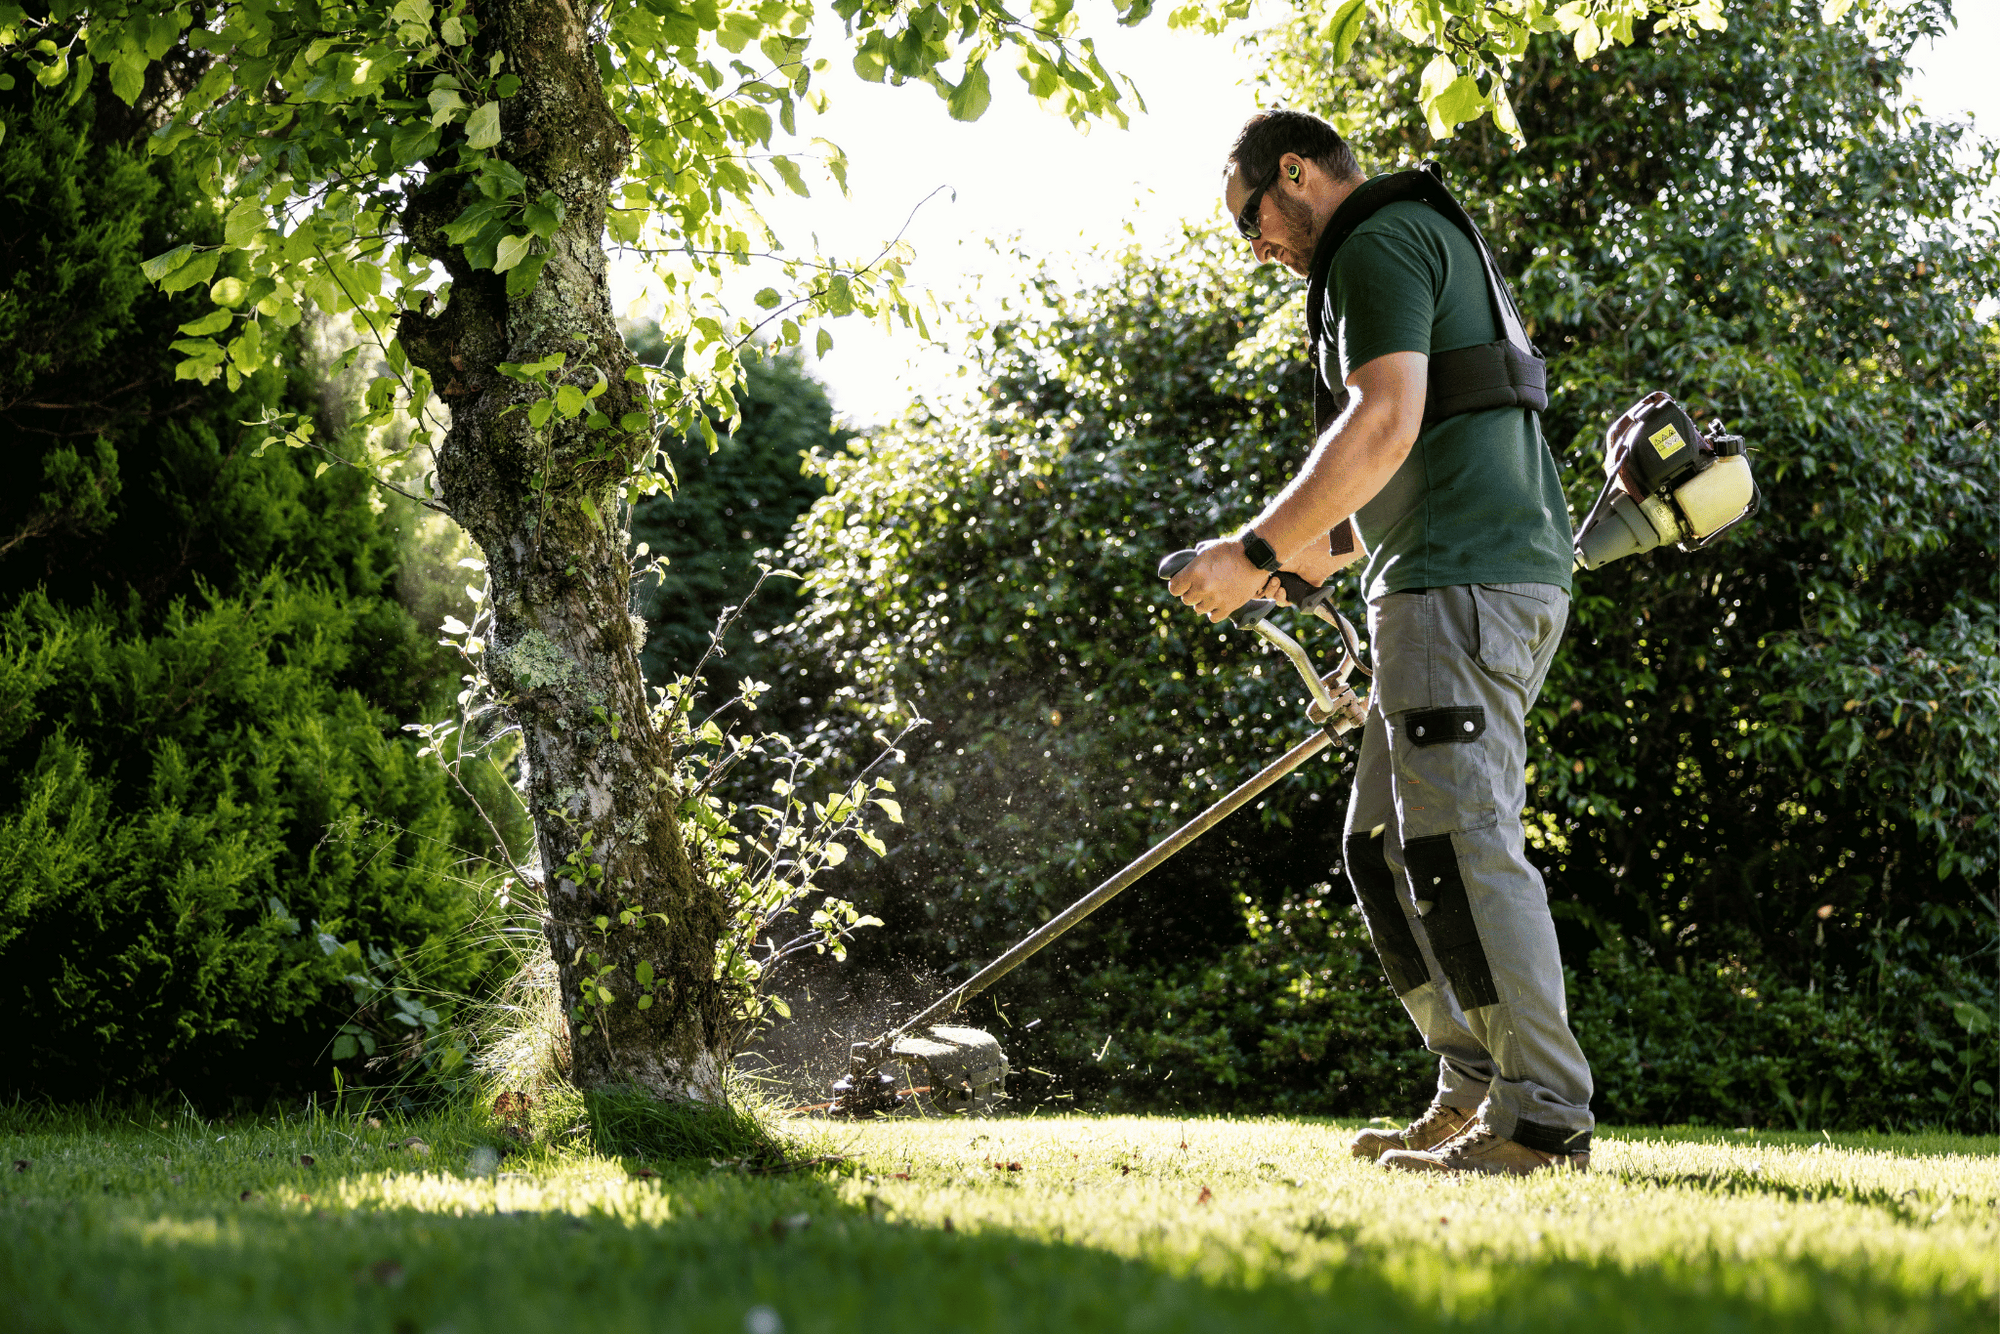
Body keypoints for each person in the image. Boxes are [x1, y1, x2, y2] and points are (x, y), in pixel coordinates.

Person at [1166, 109, 1594, 1175]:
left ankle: (1540, 1116)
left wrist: (1256, 548)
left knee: (1459, 843)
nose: (1255, 246)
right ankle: (1473, 1082)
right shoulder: (1404, 243)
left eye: (1250, 219)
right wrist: (1304, 556)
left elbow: (1383, 418)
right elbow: (1400, 462)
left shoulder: (1373, 241)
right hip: (1442, 575)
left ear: (1295, 172)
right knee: (1383, 847)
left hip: (1463, 578)